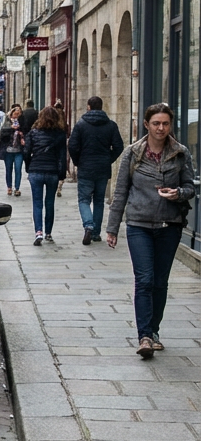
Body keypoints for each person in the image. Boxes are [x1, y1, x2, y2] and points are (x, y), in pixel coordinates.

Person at [105, 104, 197, 359]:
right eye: (156, 123)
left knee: (159, 282)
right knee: (144, 280)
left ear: (170, 126)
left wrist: (178, 193)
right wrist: (112, 228)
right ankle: (144, 336)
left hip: (169, 226)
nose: (161, 128)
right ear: (146, 125)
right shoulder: (133, 153)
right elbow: (120, 192)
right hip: (139, 225)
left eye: (165, 123)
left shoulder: (180, 153)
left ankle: (154, 331)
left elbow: (190, 187)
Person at [68, 96, 125, 245]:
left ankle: (88, 225)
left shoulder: (81, 124)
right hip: (102, 168)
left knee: (84, 199)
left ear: (88, 107)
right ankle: (95, 233)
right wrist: (108, 159)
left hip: (85, 167)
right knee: (99, 200)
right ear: (101, 106)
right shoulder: (111, 125)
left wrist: (78, 161)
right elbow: (118, 146)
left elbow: (72, 146)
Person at [23, 105, 68, 245]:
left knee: (37, 203)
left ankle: (38, 232)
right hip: (52, 171)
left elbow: (26, 152)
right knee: (50, 202)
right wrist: (61, 174)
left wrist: (29, 166)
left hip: (36, 170)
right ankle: (48, 232)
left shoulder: (33, 133)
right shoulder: (60, 134)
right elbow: (62, 157)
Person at [0, 105, 25, 196]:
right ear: (11, 115)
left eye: (18, 114)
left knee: (18, 169)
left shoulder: (22, 123)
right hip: (8, 151)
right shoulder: (7, 123)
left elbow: (27, 132)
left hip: (19, 151)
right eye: (15, 114)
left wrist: (22, 136)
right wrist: (11, 128)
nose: (16, 116)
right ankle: (9, 187)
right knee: (8, 169)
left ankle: (17, 188)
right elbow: (2, 134)